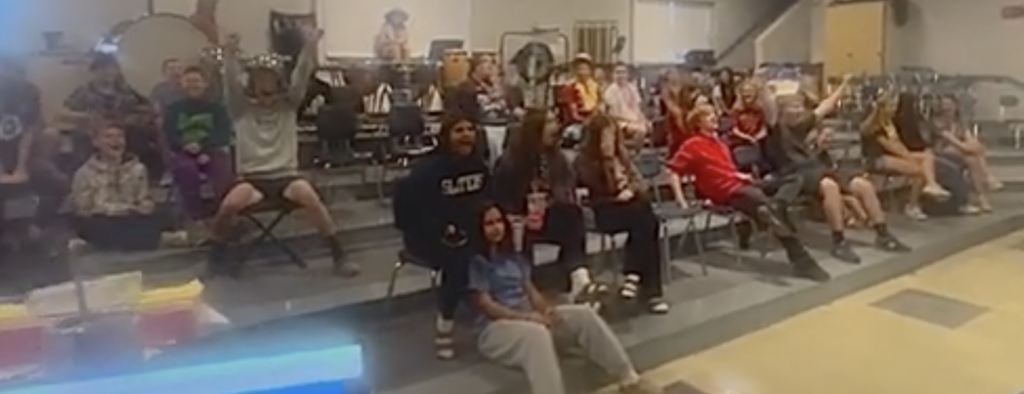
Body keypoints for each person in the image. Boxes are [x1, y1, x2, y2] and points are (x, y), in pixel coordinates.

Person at [206, 28, 357, 277]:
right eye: (259, 79)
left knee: (311, 199)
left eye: (269, 78)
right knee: (229, 206)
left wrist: (309, 47)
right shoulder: (241, 109)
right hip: (252, 178)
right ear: (252, 82)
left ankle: (339, 255)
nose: (264, 84)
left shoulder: (288, 107)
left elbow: (301, 76)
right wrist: (230, 54)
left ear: (277, 81)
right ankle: (216, 256)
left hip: (286, 175)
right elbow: (230, 85)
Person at [469, 202, 661, 394]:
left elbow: (530, 290)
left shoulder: (514, 257)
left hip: (529, 316)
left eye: (499, 222)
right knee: (536, 334)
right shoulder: (477, 262)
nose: (496, 228)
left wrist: (546, 310)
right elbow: (486, 305)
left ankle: (629, 379)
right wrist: (527, 318)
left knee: (583, 315)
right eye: (489, 224)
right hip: (495, 329)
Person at [667, 105, 829, 281]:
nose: (714, 117)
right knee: (764, 205)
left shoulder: (720, 144)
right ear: (697, 122)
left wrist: (741, 175)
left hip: (741, 183)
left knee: (794, 178)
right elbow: (673, 171)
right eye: (708, 116)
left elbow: (727, 169)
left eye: (714, 114)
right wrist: (680, 199)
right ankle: (802, 259)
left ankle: (777, 204)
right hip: (726, 191)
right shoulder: (692, 145)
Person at [762, 76, 910, 263]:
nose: (799, 110)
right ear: (781, 110)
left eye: (800, 106)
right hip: (795, 174)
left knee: (863, 185)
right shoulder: (776, 128)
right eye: (793, 106)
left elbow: (825, 107)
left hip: (817, 168)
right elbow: (768, 106)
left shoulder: (802, 125)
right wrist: (762, 85)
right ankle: (839, 241)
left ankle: (883, 234)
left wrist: (845, 85)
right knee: (830, 186)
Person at [394, 115, 491, 359]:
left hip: (467, 231)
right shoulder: (428, 171)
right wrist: (444, 230)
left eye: (471, 128)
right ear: (446, 136)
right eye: (459, 130)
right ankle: (445, 322)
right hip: (425, 237)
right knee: (457, 257)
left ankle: (494, 308)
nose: (467, 134)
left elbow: (488, 201)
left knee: (502, 241)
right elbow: (410, 217)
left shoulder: (479, 166)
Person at [493, 109, 599, 306]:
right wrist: (520, 215)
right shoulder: (511, 161)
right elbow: (500, 198)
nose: (556, 126)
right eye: (550, 122)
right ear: (535, 129)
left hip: (547, 215)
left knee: (572, 215)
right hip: (518, 219)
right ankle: (523, 291)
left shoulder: (558, 159)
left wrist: (555, 200)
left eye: (555, 121)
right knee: (518, 232)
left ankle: (579, 277)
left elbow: (566, 187)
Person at [574, 115, 669, 312]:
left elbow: (639, 181)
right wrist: (607, 162)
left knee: (645, 217)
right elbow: (597, 190)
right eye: (605, 135)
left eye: (612, 134)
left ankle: (637, 280)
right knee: (646, 219)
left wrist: (630, 191)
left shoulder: (622, 154)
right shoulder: (584, 161)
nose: (610, 140)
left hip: (629, 206)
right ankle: (646, 287)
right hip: (604, 209)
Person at [70, 126, 184, 251]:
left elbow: (143, 198)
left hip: (130, 218)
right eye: (108, 136)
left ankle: (123, 242)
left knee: (159, 216)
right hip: (103, 218)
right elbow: (84, 209)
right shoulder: (84, 173)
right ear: (96, 142)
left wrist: (146, 206)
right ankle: (145, 240)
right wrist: (116, 210)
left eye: (120, 136)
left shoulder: (138, 169)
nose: (116, 140)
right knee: (94, 226)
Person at [0, 58, 68, 245]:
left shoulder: (27, 93)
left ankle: (35, 228)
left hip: (24, 154)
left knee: (57, 182)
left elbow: (29, 131)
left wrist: (21, 168)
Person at [162, 66, 234, 239]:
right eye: (188, 81)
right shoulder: (173, 109)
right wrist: (185, 145)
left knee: (223, 169)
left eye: (196, 81)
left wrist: (204, 149)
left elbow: (223, 133)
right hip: (183, 152)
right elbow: (170, 134)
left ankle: (224, 218)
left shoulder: (217, 108)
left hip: (212, 150)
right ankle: (196, 220)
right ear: (182, 84)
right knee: (186, 170)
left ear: (205, 84)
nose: (192, 85)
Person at [63, 55, 162, 180]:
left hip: (125, 131)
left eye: (112, 68)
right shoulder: (84, 92)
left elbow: (149, 107)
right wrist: (86, 117)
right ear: (94, 72)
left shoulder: (125, 91)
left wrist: (138, 116)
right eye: (103, 69)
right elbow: (63, 113)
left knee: (139, 134)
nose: (108, 72)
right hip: (94, 132)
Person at [860, 92, 949, 220]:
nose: (894, 109)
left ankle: (931, 184)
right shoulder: (874, 125)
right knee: (918, 170)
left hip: (892, 156)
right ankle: (912, 205)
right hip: (877, 159)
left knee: (927, 156)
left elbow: (900, 146)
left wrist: (909, 157)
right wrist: (910, 159)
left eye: (895, 105)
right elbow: (892, 147)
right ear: (882, 107)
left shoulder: (890, 123)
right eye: (891, 106)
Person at [932, 95, 1001, 212]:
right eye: (944, 105)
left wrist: (976, 147)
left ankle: (981, 196)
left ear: (956, 107)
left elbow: (970, 140)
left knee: (972, 159)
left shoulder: (959, 124)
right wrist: (974, 148)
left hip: (958, 152)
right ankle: (986, 180)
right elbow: (957, 144)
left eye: (950, 105)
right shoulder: (937, 123)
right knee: (972, 155)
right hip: (940, 153)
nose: (947, 108)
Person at [727, 80, 769, 172]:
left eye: (750, 91)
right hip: (740, 140)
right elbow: (734, 128)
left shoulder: (760, 109)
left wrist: (758, 136)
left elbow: (764, 127)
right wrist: (748, 138)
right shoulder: (736, 109)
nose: (747, 93)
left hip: (759, 140)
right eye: (745, 91)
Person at [603, 62, 649, 147]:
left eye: (623, 72)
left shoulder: (632, 88)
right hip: (619, 122)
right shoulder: (610, 91)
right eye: (618, 72)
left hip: (634, 120)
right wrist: (632, 121)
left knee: (651, 126)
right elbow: (613, 115)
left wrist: (643, 119)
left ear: (627, 74)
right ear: (613, 75)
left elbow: (638, 108)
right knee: (640, 130)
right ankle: (631, 152)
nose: (621, 75)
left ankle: (639, 152)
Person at [561, 53, 600, 143]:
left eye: (585, 69)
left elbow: (599, 105)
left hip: (595, 121)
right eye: (579, 69)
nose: (582, 72)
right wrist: (587, 121)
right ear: (575, 71)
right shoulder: (569, 87)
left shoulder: (595, 86)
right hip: (576, 123)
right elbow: (574, 114)